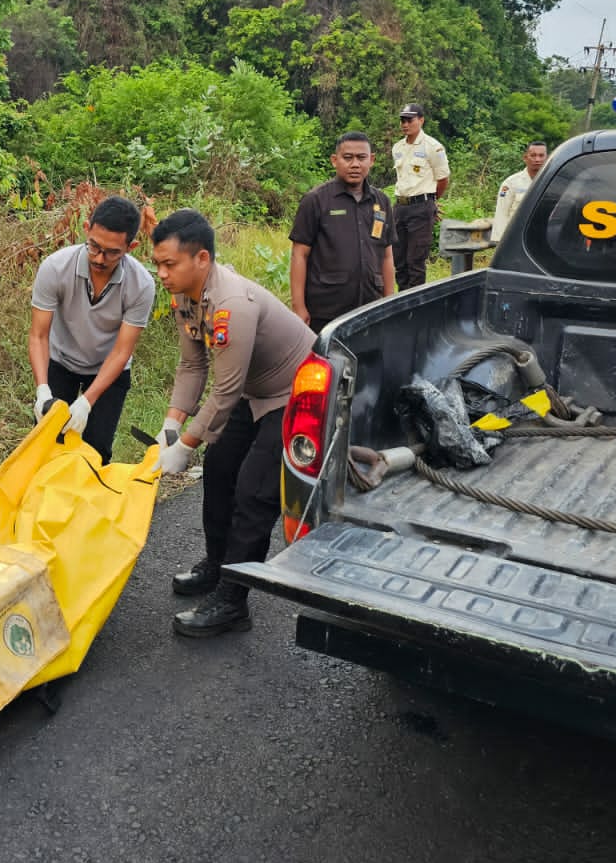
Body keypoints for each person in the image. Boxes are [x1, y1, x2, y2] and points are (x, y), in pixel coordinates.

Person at [150, 210, 315, 637]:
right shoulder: (186, 296)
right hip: (252, 392)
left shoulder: (231, 305)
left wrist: (185, 444)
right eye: (158, 264)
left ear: (201, 258)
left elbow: (224, 391)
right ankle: (216, 564)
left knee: (253, 492)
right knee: (219, 470)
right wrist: (171, 424)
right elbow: (191, 367)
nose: (162, 273)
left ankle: (232, 600)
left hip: (294, 392)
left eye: (170, 264)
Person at [29, 195, 156, 463]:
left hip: (109, 368)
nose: (99, 258)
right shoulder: (55, 268)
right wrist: (42, 390)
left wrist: (87, 402)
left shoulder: (141, 285)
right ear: (86, 229)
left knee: (95, 452)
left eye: (112, 253)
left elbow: (122, 351)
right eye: (94, 247)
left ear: (131, 247)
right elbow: (39, 335)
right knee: (46, 443)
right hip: (61, 360)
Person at [289, 132, 397, 335]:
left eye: (361, 158)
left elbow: (387, 255)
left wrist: (388, 301)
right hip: (326, 310)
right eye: (348, 158)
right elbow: (299, 254)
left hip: (370, 308)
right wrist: (299, 308)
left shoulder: (381, 202)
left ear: (371, 160)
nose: (355, 164)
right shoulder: (316, 200)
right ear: (334, 160)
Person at [389, 103, 450, 290]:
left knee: (415, 261)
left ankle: (414, 306)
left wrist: (431, 201)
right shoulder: (398, 147)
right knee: (399, 260)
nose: (405, 124)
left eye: (410, 120)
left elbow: (443, 179)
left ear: (421, 120)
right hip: (400, 207)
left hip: (421, 208)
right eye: (402, 120)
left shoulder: (433, 147)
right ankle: (401, 300)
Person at [492, 141, 548, 244]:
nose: (537, 159)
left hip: (543, 238)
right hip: (516, 238)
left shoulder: (552, 182)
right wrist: (500, 242)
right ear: (525, 158)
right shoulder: (511, 183)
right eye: (533, 155)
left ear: (547, 158)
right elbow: (502, 213)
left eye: (541, 155)